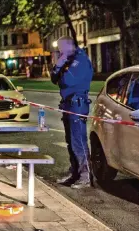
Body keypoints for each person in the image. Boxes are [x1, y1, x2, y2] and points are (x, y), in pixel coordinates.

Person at [50, 36, 93, 189]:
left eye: (62, 48)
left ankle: (85, 176)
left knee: (78, 141)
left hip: (77, 104)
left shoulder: (80, 61)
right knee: (70, 141)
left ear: (70, 46)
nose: (60, 51)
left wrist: (61, 65)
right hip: (68, 104)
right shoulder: (68, 60)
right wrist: (59, 64)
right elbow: (54, 79)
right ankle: (74, 172)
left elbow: (66, 81)